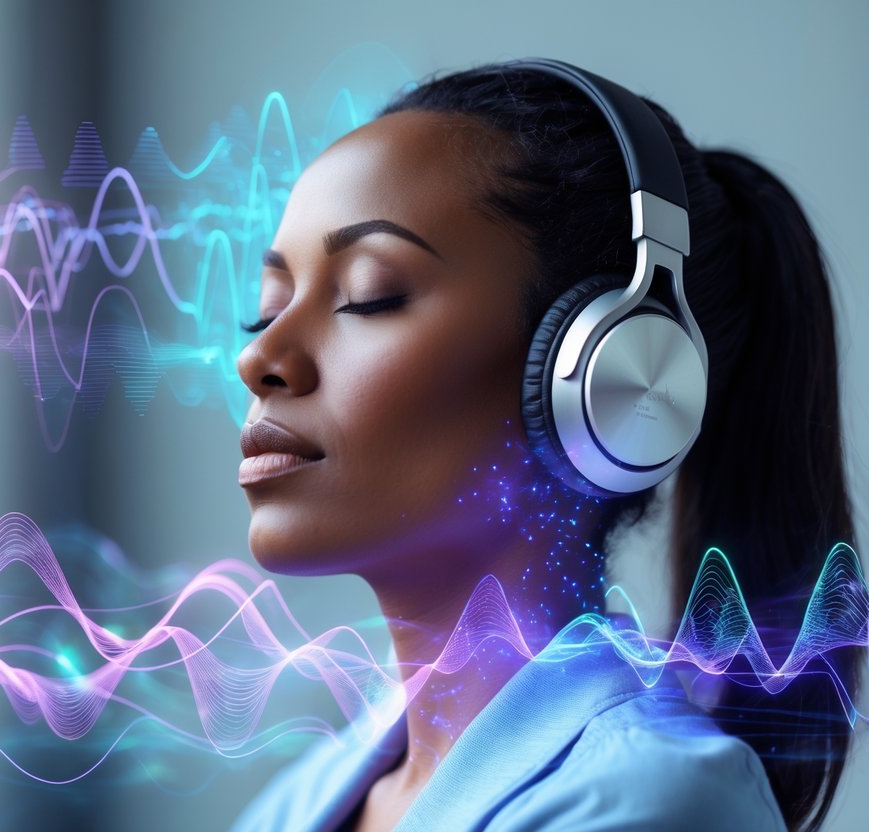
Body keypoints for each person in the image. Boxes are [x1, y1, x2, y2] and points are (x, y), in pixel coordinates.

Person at [229, 60, 862, 832]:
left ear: (604, 376)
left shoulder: (648, 804)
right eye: (264, 311)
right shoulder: (302, 800)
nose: (258, 358)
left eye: (369, 296)